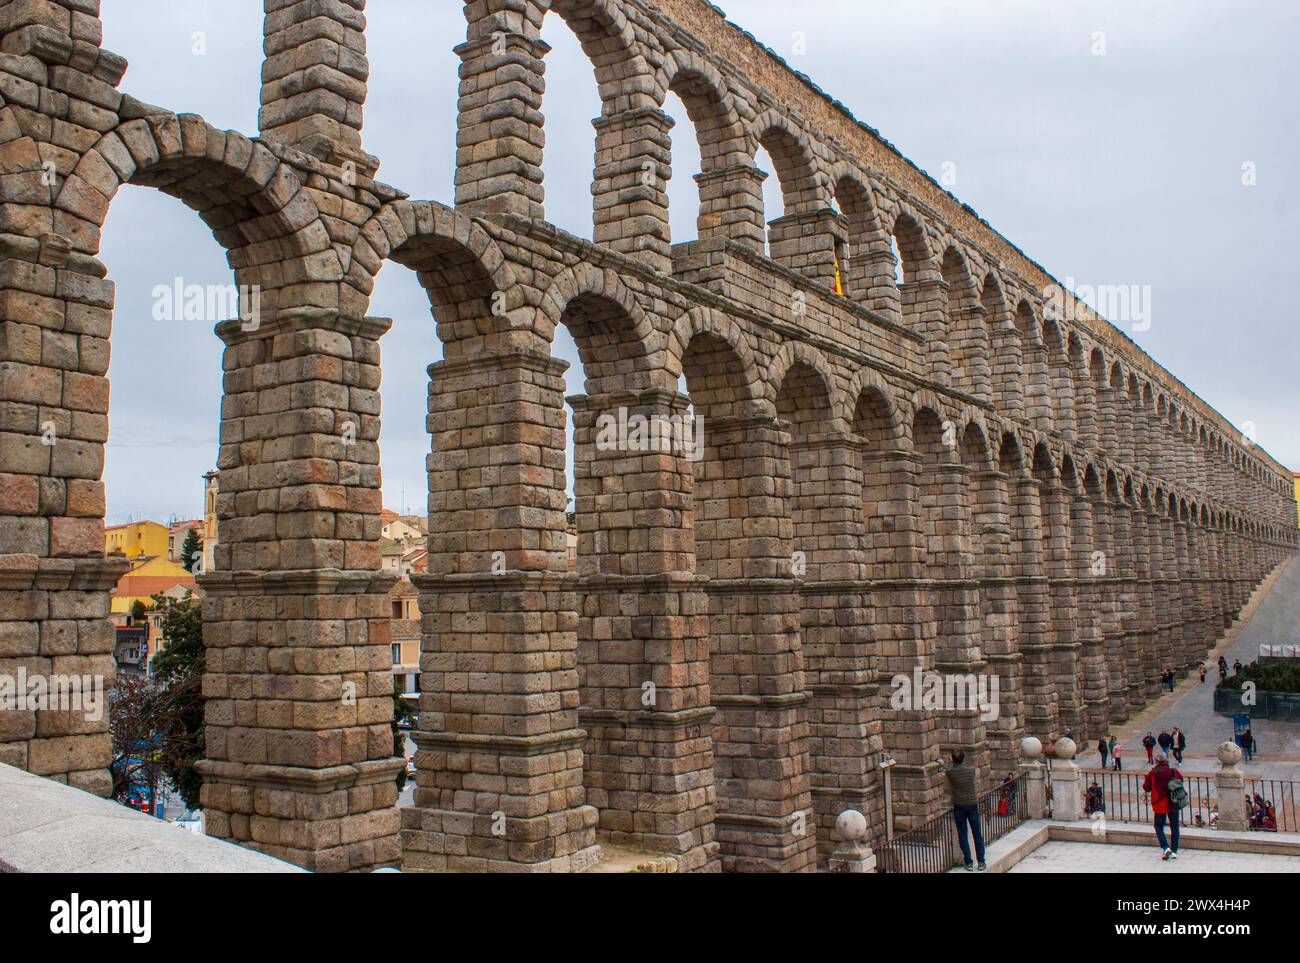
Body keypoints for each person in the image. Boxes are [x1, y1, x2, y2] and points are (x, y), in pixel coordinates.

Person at [945, 750, 986, 871]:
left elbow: (947, 788)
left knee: (962, 834)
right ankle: (981, 862)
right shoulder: (971, 770)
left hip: (959, 805)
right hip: (972, 804)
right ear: (963, 759)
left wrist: (951, 763)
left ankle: (968, 862)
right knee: (977, 834)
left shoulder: (950, 772)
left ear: (952, 759)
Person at [1142, 750, 1185, 861]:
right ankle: (1174, 850)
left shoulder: (1153, 774)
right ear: (1166, 761)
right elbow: (1181, 780)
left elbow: (1146, 787)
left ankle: (1166, 848)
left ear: (1156, 762)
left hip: (1159, 803)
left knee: (1159, 826)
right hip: (1173, 802)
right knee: (1174, 826)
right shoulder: (1173, 771)